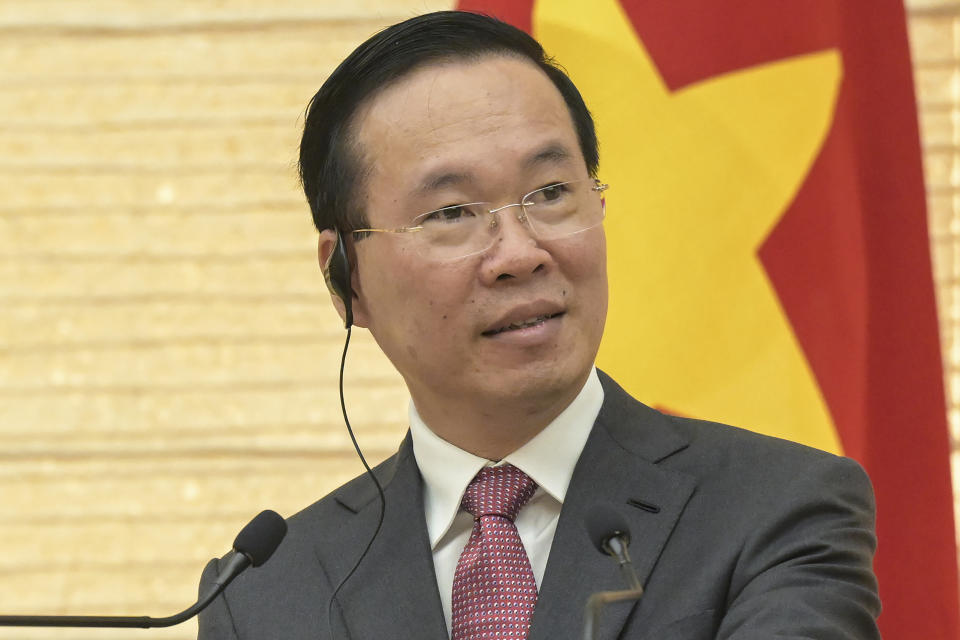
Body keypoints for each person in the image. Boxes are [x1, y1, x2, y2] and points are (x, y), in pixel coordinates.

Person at [197, 10, 880, 639]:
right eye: (451, 213)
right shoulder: (266, 594)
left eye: (551, 194)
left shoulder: (778, 511)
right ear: (347, 276)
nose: (521, 254)